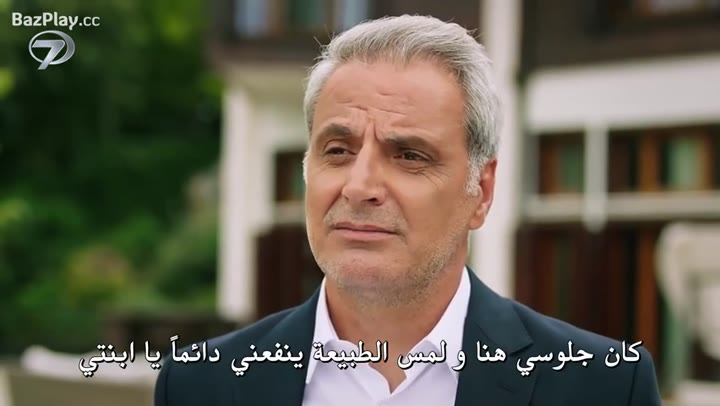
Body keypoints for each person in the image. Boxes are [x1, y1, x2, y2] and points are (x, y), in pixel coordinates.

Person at [154, 15, 662, 406]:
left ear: (481, 192)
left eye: (409, 156)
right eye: (338, 150)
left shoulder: (600, 386)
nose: (359, 187)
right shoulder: (201, 383)